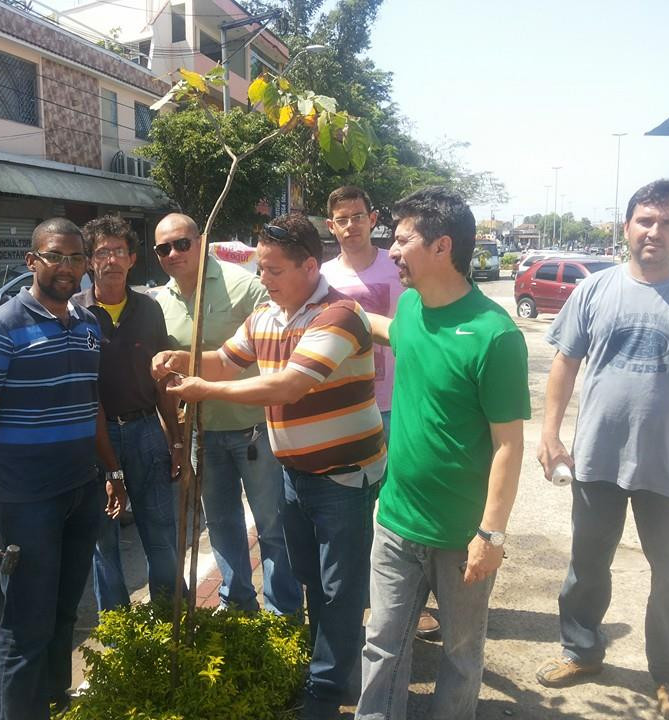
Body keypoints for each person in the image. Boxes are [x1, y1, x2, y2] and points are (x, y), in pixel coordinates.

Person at [152, 213, 386, 720]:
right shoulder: (267, 317)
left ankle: (327, 691)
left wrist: (204, 390)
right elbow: (226, 360)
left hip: (343, 477)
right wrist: (180, 359)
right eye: (260, 269)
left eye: (273, 270)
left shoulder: (339, 315)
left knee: (340, 588)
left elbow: (288, 386)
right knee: (310, 577)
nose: (264, 280)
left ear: (308, 265)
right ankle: (327, 667)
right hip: (295, 473)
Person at [535, 179, 669, 720]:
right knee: (586, 565)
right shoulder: (594, 289)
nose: (655, 231)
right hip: (599, 457)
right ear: (627, 226)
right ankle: (582, 651)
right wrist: (551, 432)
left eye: (668, 222)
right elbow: (564, 363)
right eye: (646, 220)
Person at [355, 188, 529, 720]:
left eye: (403, 239)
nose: (392, 251)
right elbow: (395, 334)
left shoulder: (494, 336)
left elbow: (509, 445)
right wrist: (337, 313)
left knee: (459, 655)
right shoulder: (410, 307)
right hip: (397, 522)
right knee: (382, 647)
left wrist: (490, 535)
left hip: (461, 538)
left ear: (442, 246)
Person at [0, 218, 110, 720]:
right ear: (32, 262)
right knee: (26, 627)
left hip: (81, 492)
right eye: (54, 257)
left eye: (74, 258)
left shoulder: (88, 323)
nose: (66, 268)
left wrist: (112, 474)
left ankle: (52, 707)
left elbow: (93, 406)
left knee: (65, 614)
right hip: (28, 501)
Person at [151, 213, 301, 615]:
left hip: (253, 429)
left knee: (272, 526)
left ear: (200, 242)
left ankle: (282, 614)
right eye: (163, 248)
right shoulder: (160, 301)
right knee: (220, 524)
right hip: (204, 431)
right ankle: (237, 605)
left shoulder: (244, 287)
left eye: (182, 243)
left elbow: (279, 349)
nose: (174, 253)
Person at [320, 184, 440, 642]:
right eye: (341, 218)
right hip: (347, 408)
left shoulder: (399, 265)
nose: (351, 225)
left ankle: (413, 600)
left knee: (403, 508)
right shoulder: (325, 276)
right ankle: (368, 600)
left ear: (374, 219)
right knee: (354, 509)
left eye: (358, 215)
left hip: (397, 404)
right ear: (331, 226)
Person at [71, 215, 185, 610]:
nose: (112, 260)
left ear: (133, 258)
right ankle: (120, 635)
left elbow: (162, 382)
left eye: (119, 251)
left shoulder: (149, 310)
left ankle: (167, 620)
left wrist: (176, 439)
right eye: (102, 252)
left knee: (161, 533)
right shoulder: (74, 315)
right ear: (89, 261)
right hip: (94, 441)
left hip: (145, 432)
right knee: (104, 544)